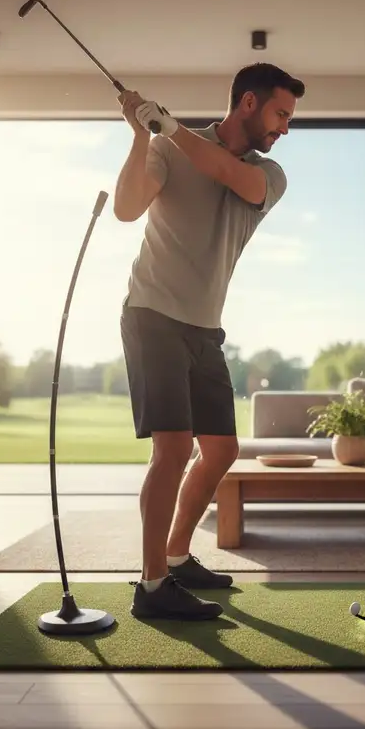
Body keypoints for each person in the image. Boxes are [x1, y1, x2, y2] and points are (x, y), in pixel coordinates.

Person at [113, 63, 305, 621]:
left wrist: (171, 130)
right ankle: (152, 587)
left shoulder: (268, 174)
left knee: (220, 450)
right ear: (249, 103)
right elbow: (127, 209)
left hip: (203, 327)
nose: (285, 128)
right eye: (280, 114)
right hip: (151, 314)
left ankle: (175, 556)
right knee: (172, 449)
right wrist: (139, 136)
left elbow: (228, 174)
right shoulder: (171, 148)